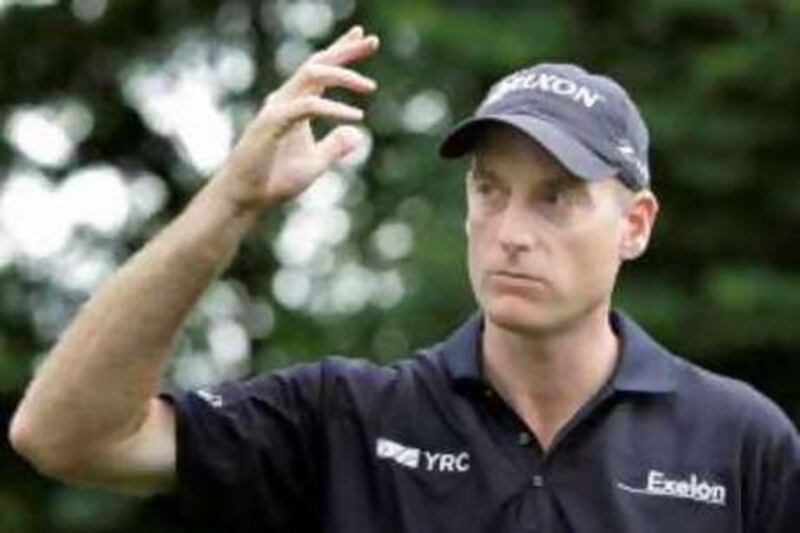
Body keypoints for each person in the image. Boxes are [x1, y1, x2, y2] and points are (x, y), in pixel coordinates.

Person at [8, 25, 799, 533]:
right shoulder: (346, 419)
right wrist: (232, 201)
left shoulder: (742, 443)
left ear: (636, 224)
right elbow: (63, 435)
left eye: (556, 196)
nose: (512, 231)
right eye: (490, 189)